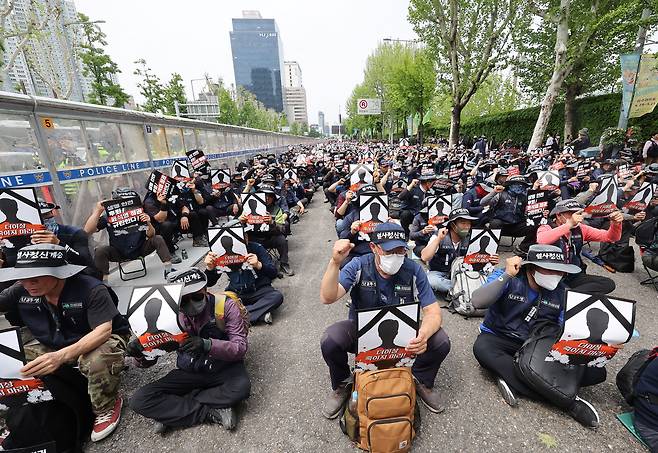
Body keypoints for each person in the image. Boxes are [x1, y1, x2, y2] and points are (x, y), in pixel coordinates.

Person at [319, 222, 451, 418]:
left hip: (403, 334)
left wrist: (423, 335)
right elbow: (327, 297)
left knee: (440, 341)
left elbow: (433, 312)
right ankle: (342, 383)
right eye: (389, 251)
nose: (396, 256)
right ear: (374, 248)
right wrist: (335, 263)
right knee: (330, 339)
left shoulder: (413, 270)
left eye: (401, 250)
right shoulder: (359, 266)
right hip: (362, 332)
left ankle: (421, 379)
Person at [0, 244, 130, 441]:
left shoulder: (91, 288)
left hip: (99, 340)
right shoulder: (21, 289)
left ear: (58, 273)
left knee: (97, 359)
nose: (28, 284)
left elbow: (103, 331)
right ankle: (17, 413)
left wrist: (61, 356)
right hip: (53, 344)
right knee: (10, 359)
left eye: (34, 278)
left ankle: (106, 405)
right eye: (23, 278)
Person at [471, 244, 606, 428]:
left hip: (538, 344)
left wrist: (603, 343)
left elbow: (568, 332)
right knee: (482, 349)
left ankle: (512, 378)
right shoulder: (509, 277)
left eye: (559, 271)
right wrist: (507, 275)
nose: (556, 275)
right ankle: (566, 401)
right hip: (501, 338)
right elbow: (477, 301)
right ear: (531, 267)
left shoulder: (562, 292)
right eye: (549, 270)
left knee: (596, 372)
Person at [128, 269, 251, 433]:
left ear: (206, 290)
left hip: (224, 368)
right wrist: (139, 353)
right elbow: (152, 358)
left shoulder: (226, 305)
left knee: (241, 388)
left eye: (197, 296)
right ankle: (209, 412)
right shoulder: (168, 317)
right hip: (189, 371)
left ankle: (175, 411)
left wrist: (208, 345)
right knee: (139, 400)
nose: (191, 303)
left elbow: (240, 348)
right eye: (184, 300)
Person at [535, 198, 622, 293]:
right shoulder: (546, 227)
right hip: (551, 275)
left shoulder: (581, 229)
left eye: (577, 213)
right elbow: (542, 240)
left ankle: (568, 296)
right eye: (571, 213)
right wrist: (568, 225)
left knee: (608, 284)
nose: (576, 217)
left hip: (573, 274)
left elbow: (611, 237)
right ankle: (567, 296)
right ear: (559, 215)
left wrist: (615, 224)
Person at [205, 220, 283, 324]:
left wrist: (259, 265)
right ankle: (258, 315)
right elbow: (209, 283)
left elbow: (273, 273)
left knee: (276, 297)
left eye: (243, 235)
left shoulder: (257, 248)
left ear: (246, 237)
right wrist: (210, 268)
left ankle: (235, 317)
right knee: (215, 305)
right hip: (236, 292)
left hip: (259, 290)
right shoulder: (218, 255)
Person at [84, 196, 175, 281]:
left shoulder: (140, 214)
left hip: (140, 248)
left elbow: (151, 235)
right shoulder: (108, 218)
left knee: (157, 238)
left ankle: (169, 270)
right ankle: (104, 283)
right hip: (119, 252)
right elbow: (87, 230)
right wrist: (97, 211)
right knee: (100, 250)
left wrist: (148, 223)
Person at [421, 208, 498, 294]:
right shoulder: (439, 236)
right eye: (463, 223)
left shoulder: (471, 237)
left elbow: (477, 264)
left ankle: (460, 290)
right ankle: (464, 289)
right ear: (453, 225)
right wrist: (439, 239)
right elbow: (424, 257)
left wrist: (491, 261)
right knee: (432, 281)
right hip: (440, 273)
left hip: (464, 273)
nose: (467, 226)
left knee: (493, 277)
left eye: (469, 223)